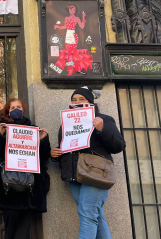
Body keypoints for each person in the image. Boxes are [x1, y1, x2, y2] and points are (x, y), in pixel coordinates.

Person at [50, 87, 125, 239]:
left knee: (87, 215)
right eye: (74, 99)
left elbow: (119, 146)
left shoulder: (103, 119)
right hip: (74, 175)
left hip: (96, 172)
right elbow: (68, 147)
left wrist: (101, 129)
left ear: (90, 101)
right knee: (94, 215)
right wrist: (55, 154)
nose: (77, 102)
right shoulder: (67, 122)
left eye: (81, 99)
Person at [0, 98, 50, 239]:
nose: (16, 110)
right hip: (8, 188)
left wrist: (43, 140)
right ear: (7, 111)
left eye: (18, 107)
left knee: (23, 233)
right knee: (10, 232)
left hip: (29, 190)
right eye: (12, 107)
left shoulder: (33, 129)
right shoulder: (0, 128)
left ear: (23, 110)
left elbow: (44, 156)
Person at [54, 5, 93, 76]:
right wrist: (58, 26)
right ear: (68, 10)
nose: (72, 11)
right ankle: (70, 68)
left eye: (73, 10)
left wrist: (83, 17)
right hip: (68, 35)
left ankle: (74, 69)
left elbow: (82, 26)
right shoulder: (66, 18)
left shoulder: (77, 18)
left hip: (73, 35)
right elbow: (65, 27)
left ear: (75, 11)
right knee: (68, 53)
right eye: (71, 9)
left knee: (73, 53)